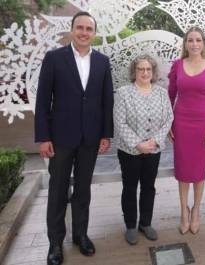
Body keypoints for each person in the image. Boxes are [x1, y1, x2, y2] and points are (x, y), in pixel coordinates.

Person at [35, 11, 114, 265]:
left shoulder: (102, 61)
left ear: (94, 33)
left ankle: (80, 235)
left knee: (82, 190)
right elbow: (42, 100)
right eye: (79, 27)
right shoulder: (54, 58)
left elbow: (106, 101)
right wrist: (43, 137)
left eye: (88, 29)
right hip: (60, 138)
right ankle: (55, 243)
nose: (83, 32)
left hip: (90, 138)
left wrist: (106, 133)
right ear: (71, 30)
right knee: (58, 190)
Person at [114, 54, 173, 245]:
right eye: (141, 69)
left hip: (153, 150)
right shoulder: (123, 93)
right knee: (130, 187)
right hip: (130, 151)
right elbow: (120, 122)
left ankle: (145, 223)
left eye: (148, 69)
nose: (145, 72)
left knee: (148, 187)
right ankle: (131, 225)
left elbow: (168, 119)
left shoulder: (162, 93)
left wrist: (154, 141)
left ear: (153, 72)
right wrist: (138, 144)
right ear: (134, 71)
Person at [168, 26, 205, 234]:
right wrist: (169, 124)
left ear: (204, 43)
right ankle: (183, 211)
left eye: (198, 40)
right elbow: (170, 96)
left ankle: (196, 210)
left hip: (203, 125)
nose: (194, 44)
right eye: (190, 40)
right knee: (182, 171)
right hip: (181, 123)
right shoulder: (177, 65)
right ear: (185, 43)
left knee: (199, 171)